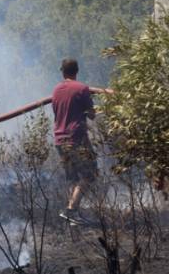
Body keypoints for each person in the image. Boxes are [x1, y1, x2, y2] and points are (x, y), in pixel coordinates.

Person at [53, 58, 97, 226]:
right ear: (76, 71)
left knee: (72, 177)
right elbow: (92, 115)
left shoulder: (56, 90)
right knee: (89, 174)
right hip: (76, 139)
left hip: (59, 139)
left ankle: (72, 214)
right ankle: (71, 210)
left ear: (63, 72)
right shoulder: (82, 89)